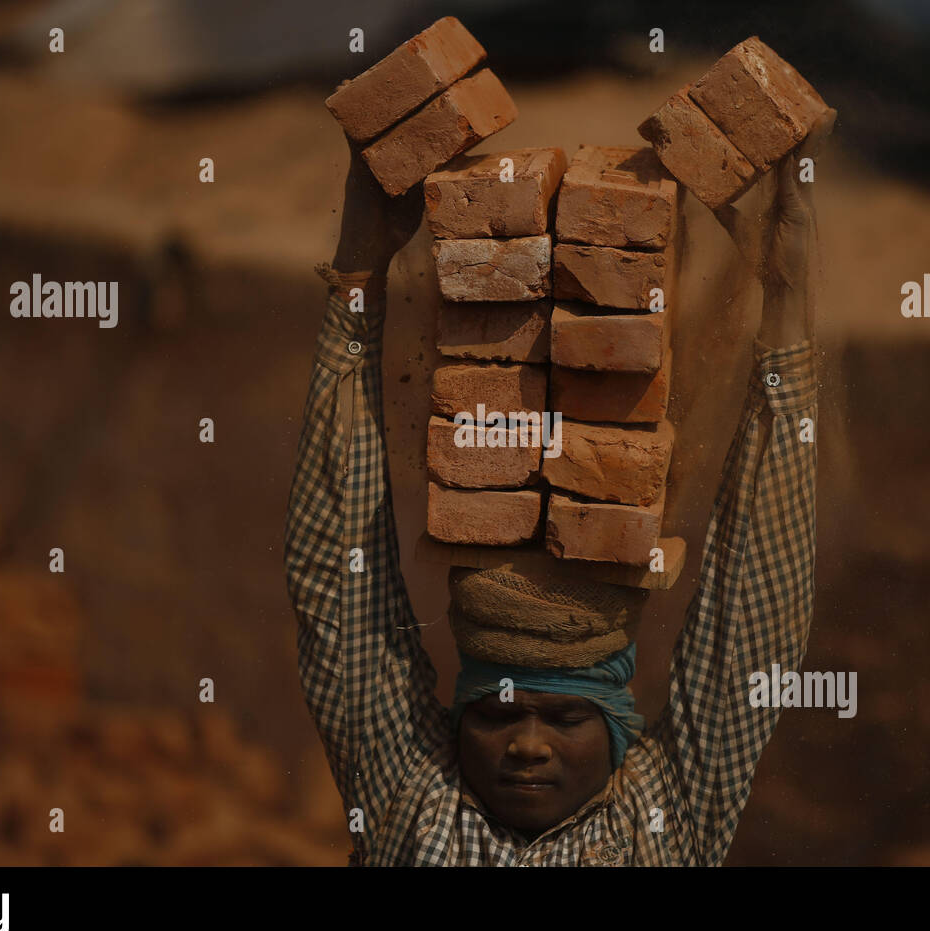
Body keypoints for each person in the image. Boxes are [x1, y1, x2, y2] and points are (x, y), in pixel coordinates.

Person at [284, 113, 832, 865]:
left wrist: (786, 300)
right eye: (499, 717)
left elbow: (755, 613)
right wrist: (359, 271)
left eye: (565, 718)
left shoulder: (665, 820)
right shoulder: (406, 800)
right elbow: (336, 589)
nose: (528, 748)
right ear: (458, 717)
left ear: (614, 723)